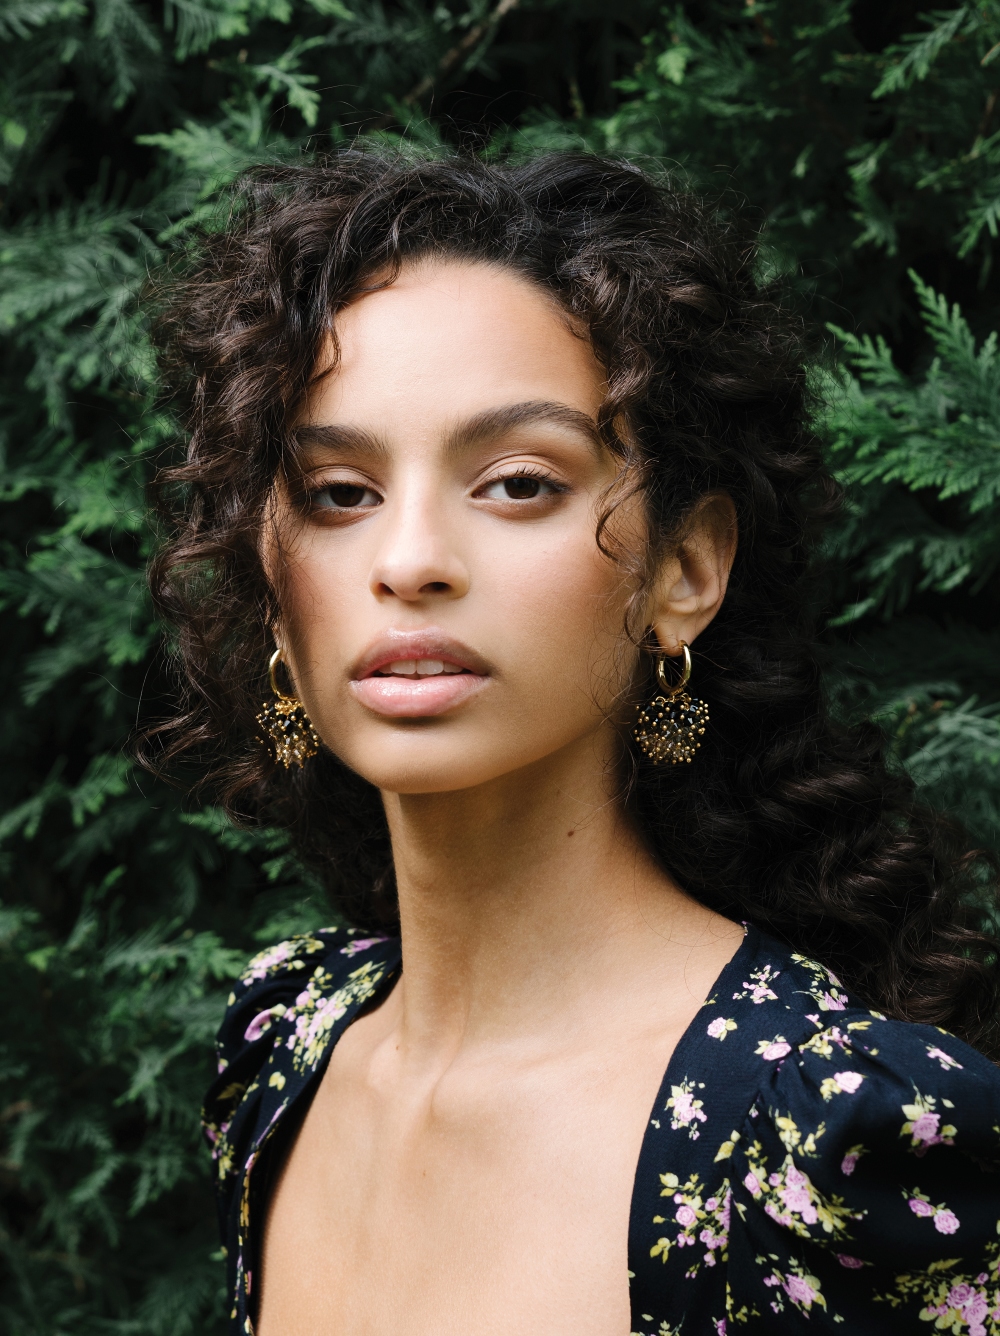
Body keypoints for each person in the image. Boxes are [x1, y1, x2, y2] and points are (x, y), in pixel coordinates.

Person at [145, 150, 1000, 1335]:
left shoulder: (823, 1145)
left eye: (515, 482)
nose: (408, 560)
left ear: (683, 569)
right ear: (271, 592)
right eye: (338, 492)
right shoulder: (285, 1049)